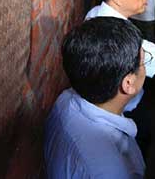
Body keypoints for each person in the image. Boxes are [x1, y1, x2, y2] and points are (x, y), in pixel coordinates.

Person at [44, 17, 147, 178]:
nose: (144, 67)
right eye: (143, 62)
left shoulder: (65, 99)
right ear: (128, 83)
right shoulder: (113, 171)